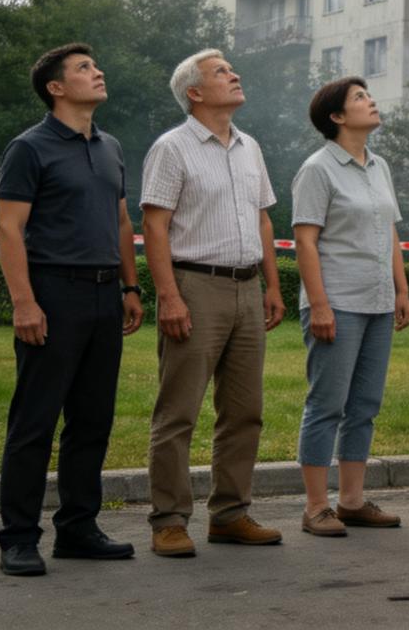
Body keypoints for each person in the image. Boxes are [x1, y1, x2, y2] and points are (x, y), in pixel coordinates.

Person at [0, 43, 144, 577]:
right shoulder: (29, 148)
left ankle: (78, 528)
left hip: (107, 293)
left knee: (92, 421)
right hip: (53, 291)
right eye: (84, 68)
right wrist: (24, 303)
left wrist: (131, 287)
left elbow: (123, 223)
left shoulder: (110, 147)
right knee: (34, 421)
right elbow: (9, 228)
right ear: (56, 88)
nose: (98, 71)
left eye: (96, 64)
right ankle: (17, 537)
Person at [140, 50, 286, 558]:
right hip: (195, 286)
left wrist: (272, 285)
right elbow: (154, 225)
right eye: (221, 72)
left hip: (248, 287)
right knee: (178, 411)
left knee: (245, 411)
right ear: (194, 94)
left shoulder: (250, 147)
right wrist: (169, 296)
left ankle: (229, 514)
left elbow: (264, 220)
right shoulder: (171, 148)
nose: (235, 74)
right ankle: (169, 519)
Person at [293, 76, 409, 538]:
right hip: (337, 302)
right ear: (337, 117)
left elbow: (391, 232)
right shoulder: (318, 169)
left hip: (378, 302)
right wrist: (319, 305)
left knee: (364, 404)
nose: (371, 101)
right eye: (359, 98)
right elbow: (305, 240)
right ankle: (315, 506)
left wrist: (401, 291)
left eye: (368, 94)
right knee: (326, 404)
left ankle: (352, 501)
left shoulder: (379, 165)